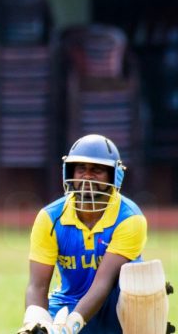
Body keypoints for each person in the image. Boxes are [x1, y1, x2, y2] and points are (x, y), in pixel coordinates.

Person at [17, 134, 148, 334]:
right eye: (81, 169)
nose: (87, 177)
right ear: (68, 172)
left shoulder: (130, 218)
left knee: (145, 284)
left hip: (118, 307)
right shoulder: (49, 218)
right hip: (69, 301)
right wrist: (36, 321)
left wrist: (71, 326)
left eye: (97, 170)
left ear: (115, 175)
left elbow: (103, 283)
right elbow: (38, 286)